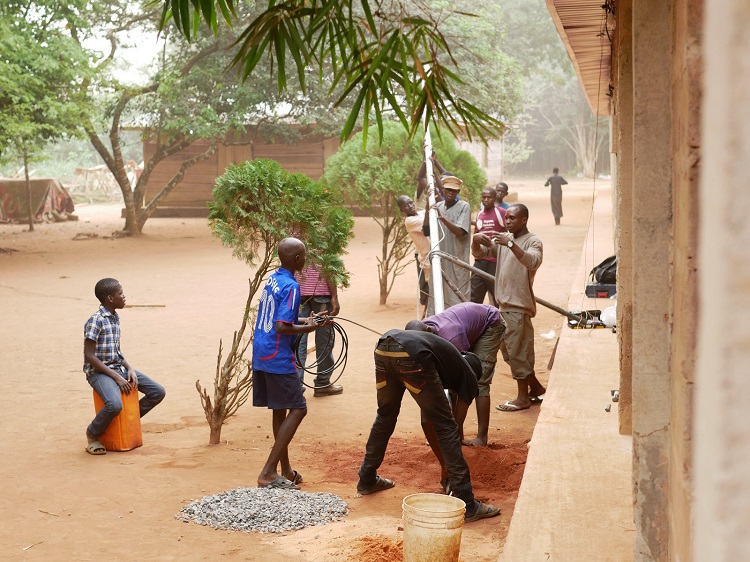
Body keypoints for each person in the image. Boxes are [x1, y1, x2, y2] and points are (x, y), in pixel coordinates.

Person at [356, 329, 501, 523]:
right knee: (446, 426)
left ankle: (366, 479)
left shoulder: (444, 362)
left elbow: (427, 420)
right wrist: (446, 466)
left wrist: (444, 462)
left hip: (384, 346)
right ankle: (467, 502)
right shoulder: (468, 377)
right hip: (413, 355)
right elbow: (453, 427)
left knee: (385, 416)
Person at [252, 237, 334, 489]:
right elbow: (282, 326)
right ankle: (267, 471)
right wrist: (309, 327)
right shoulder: (291, 286)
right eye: (304, 256)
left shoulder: (274, 279)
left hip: (261, 350)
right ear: (297, 260)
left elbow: (282, 318)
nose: (306, 259)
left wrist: (308, 320)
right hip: (277, 355)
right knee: (299, 408)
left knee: (280, 408)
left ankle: (284, 469)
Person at [471, 204, 546, 411]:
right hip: (502, 305)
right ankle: (536, 387)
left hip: (518, 306)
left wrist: (511, 244)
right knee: (511, 353)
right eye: (507, 218)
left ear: (524, 220)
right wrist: (475, 241)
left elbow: (533, 261)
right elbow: (480, 254)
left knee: (518, 353)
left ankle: (522, 398)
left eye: (513, 218)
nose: (508, 221)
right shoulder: (504, 240)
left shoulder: (532, 241)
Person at [83, 278, 165, 455]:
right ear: (110, 298)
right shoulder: (95, 320)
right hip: (99, 372)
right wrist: (116, 377)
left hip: (118, 367)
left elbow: (117, 350)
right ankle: (93, 434)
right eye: (120, 293)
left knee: (157, 392)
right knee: (114, 404)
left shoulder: (115, 317)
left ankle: (128, 421)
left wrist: (129, 369)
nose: (124, 296)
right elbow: (89, 356)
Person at [405, 302, 505, 447]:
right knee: (453, 384)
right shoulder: (420, 334)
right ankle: (458, 434)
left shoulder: (451, 338)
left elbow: (464, 376)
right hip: (467, 326)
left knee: (479, 381)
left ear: (428, 332)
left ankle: (481, 437)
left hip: (489, 323)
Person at [422, 175, 472, 310]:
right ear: (442, 190)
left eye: (454, 191)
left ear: (458, 192)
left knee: (458, 297)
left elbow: (460, 232)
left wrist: (442, 218)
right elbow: (426, 230)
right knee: (438, 295)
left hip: (457, 261)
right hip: (440, 260)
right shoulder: (437, 206)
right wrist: (428, 206)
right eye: (448, 190)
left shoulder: (464, 207)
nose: (450, 193)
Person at [296, 265, 343, 397]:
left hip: (298, 294)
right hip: (321, 295)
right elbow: (330, 266)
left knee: (298, 341)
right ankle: (322, 383)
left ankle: (296, 387)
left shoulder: (295, 243)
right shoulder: (324, 244)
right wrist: (334, 296)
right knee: (324, 341)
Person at [471, 187, 506, 305]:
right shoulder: (480, 214)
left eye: (489, 197)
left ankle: (499, 322)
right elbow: (476, 235)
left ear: (495, 198)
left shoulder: (501, 213)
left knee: (497, 298)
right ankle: (476, 321)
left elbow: (509, 233)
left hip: (495, 262)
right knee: (474, 297)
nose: (486, 200)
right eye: (483, 197)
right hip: (480, 261)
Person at [397, 195, 431, 313]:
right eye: (406, 205)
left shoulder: (421, 213)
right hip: (428, 261)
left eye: (411, 203)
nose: (410, 206)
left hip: (436, 257)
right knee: (432, 293)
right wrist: (428, 208)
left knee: (435, 293)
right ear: (402, 210)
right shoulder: (410, 221)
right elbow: (428, 225)